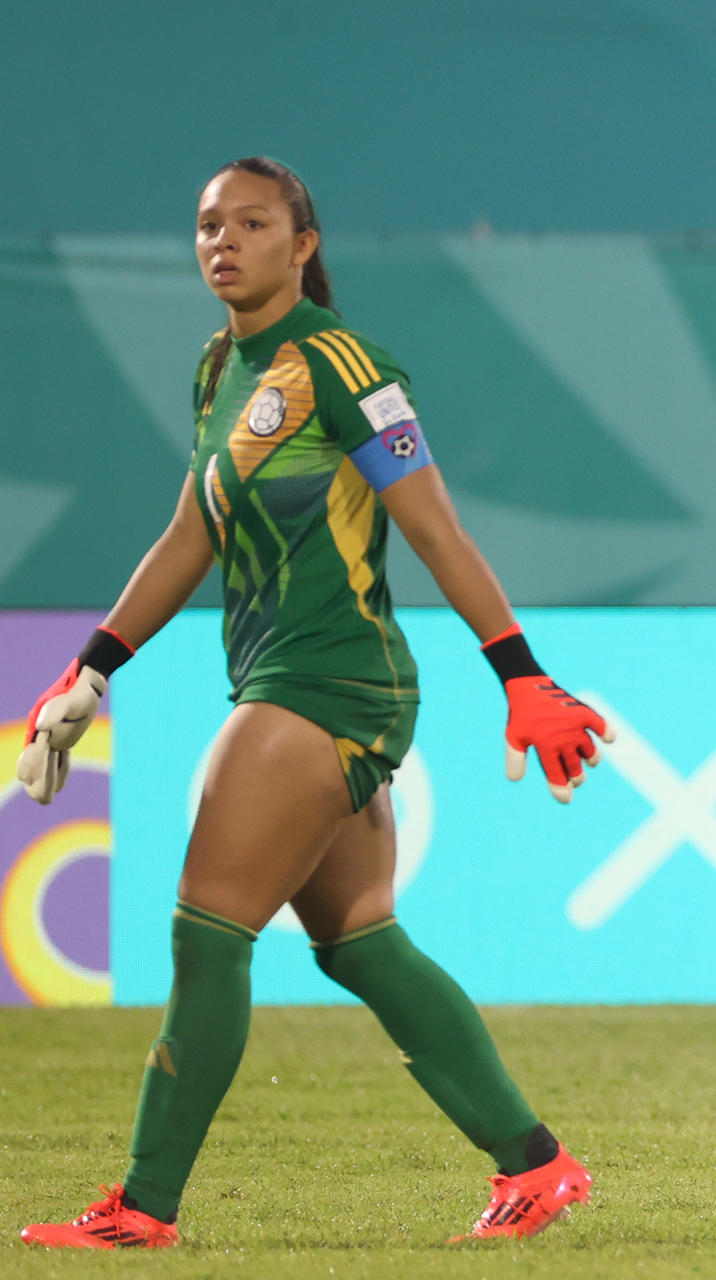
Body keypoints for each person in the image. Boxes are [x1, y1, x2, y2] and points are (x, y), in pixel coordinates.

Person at [16, 157, 609, 1249]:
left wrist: (521, 674)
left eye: (251, 221)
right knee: (358, 942)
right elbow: (190, 530)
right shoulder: (220, 371)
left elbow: (436, 527)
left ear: (304, 243)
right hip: (284, 675)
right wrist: (94, 664)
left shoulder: (343, 363)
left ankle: (143, 1207)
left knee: (207, 929)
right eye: (206, 224)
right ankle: (539, 1165)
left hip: (332, 676)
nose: (222, 240)